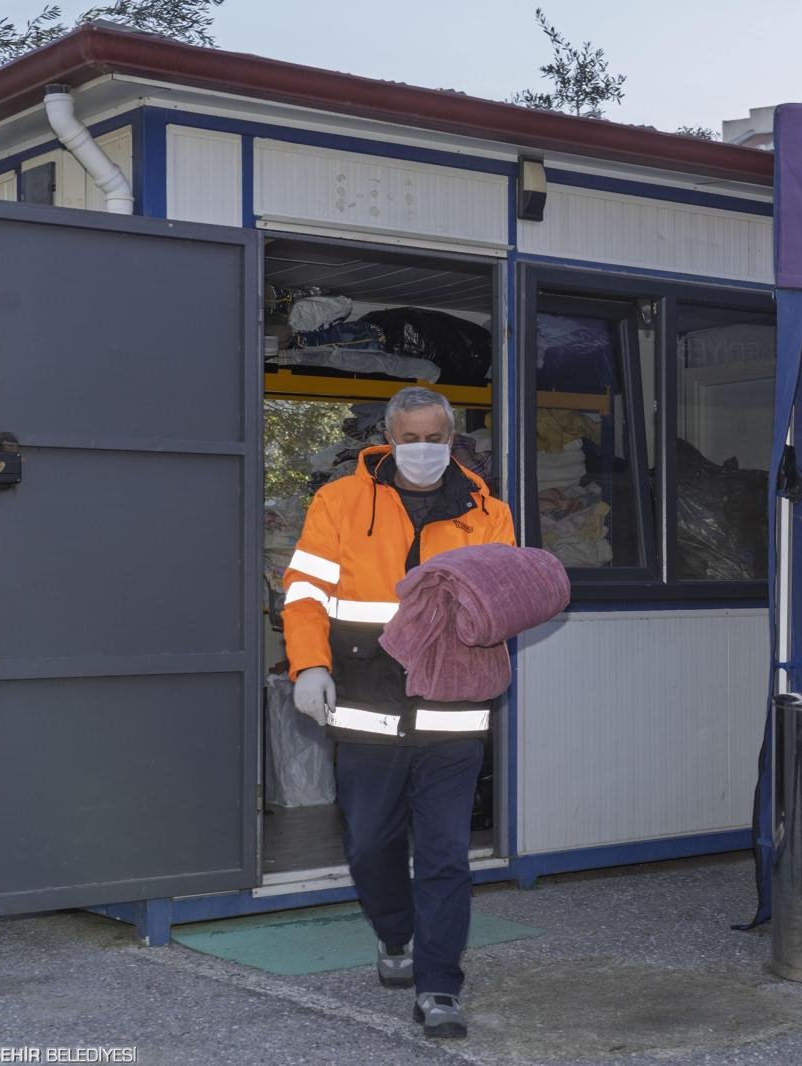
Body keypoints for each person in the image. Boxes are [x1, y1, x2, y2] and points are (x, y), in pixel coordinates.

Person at [281, 386, 514, 1039]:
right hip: (366, 709)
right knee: (369, 846)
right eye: (410, 438)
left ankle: (439, 986)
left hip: (452, 715)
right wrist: (310, 665)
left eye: (434, 438)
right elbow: (304, 593)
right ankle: (394, 933)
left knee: (445, 855)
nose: (422, 449)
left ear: (451, 438)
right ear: (388, 438)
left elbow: (503, 600)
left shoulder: (486, 511)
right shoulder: (340, 502)